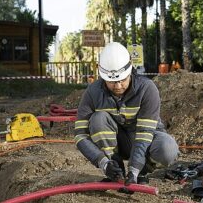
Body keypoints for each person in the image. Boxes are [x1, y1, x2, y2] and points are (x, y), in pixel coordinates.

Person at [74, 42, 179, 185]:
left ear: (130, 70)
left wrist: (135, 170)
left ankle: (142, 172)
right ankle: (116, 170)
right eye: (112, 81)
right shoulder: (92, 92)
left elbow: (144, 133)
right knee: (98, 119)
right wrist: (103, 162)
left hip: (145, 141)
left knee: (168, 148)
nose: (117, 86)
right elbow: (80, 135)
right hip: (117, 143)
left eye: (122, 79)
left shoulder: (147, 89)